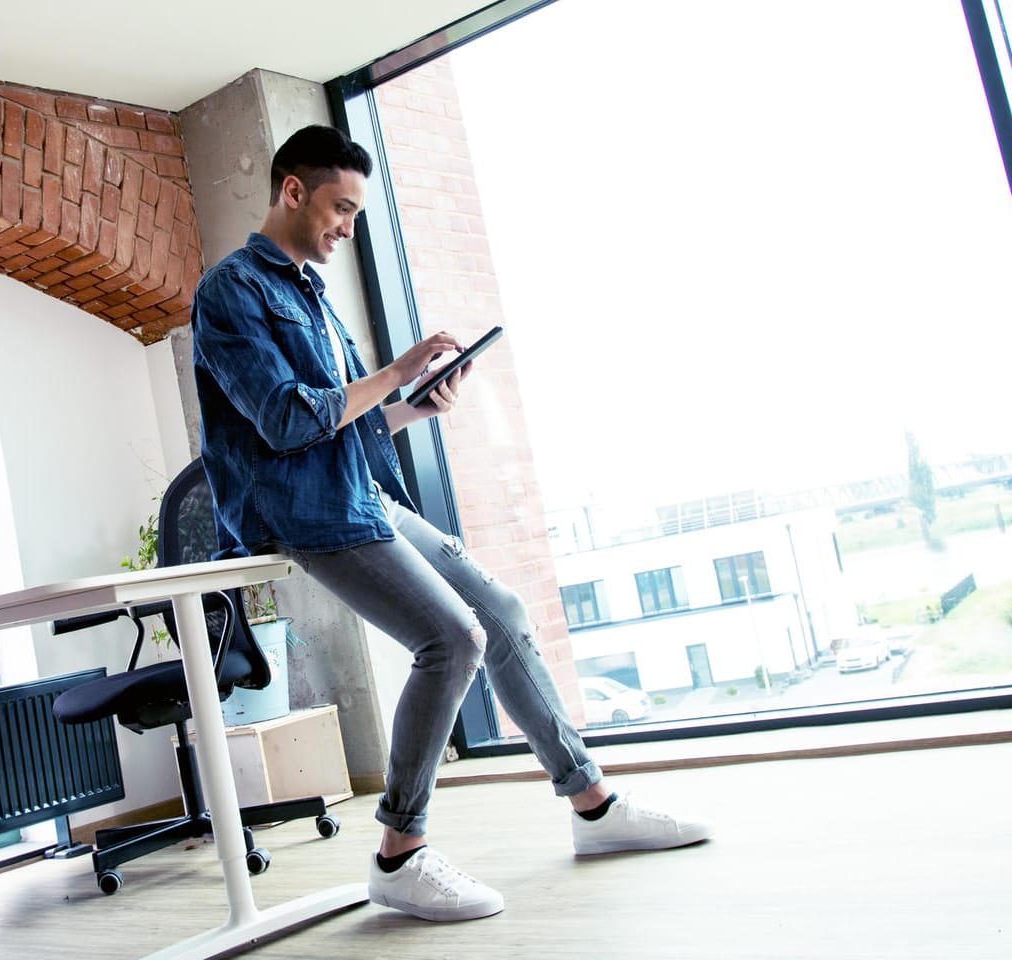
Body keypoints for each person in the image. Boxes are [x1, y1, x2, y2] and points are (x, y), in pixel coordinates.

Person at [190, 124, 711, 923]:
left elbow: (349, 425)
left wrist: (409, 405)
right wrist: (393, 370)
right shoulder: (230, 292)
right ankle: (400, 851)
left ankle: (597, 808)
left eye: (359, 213)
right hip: (303, 510)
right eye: (340, 208)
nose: (347, 227)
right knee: (453, 640)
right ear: (292, 191)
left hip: (360, 488)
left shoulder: (311, 294)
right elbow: (289, 423)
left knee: (499, 614)